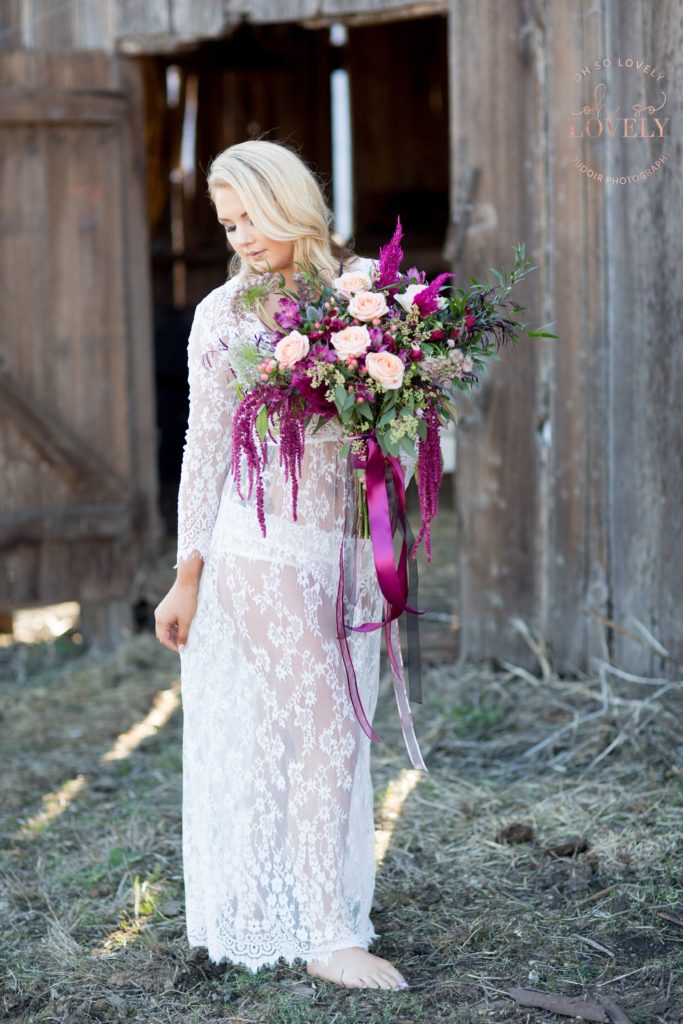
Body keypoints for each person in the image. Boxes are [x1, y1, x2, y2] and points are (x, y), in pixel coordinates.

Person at [154, 139, 410, 991]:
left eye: (250, 217)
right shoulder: (224, 315)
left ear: (290, 202)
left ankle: (285, 899)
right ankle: (326, 936)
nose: (241, 237)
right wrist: (187, 571)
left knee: (300, 730)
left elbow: (387, 417)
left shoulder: (360, 296)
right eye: (227, 223)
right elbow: (202, 449)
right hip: (255, 544)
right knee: (327, 721)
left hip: (337, 547)